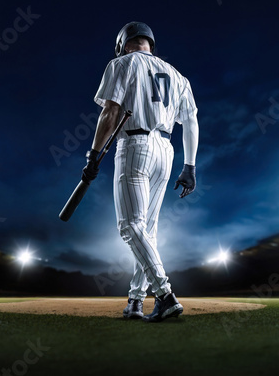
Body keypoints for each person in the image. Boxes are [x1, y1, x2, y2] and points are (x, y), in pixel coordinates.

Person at [81, 21, 199, 322]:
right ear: (150, 43)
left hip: (135, 145)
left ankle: (164, 294)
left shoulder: (122, 62)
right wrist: (190, 166)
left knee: (129, 226)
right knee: (147, 229)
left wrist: (94, 154)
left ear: (123, 43)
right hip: (167, 149)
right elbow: (192, 122)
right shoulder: (178, 75)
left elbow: (110, 112)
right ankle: (135, 300)